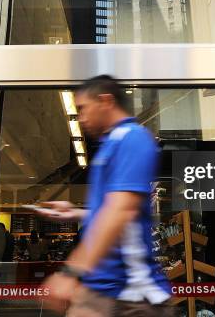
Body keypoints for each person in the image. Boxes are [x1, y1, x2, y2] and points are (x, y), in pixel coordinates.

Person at [41, 75, 173, 317]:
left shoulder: (132, 137)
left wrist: (71, 272)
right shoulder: (111, 145)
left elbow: (122, 211)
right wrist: (76, 212)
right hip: (101, 289)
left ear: (105, 101)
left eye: (83, 108)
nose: (81, 118)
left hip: (131, 297)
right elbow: (112, 210)